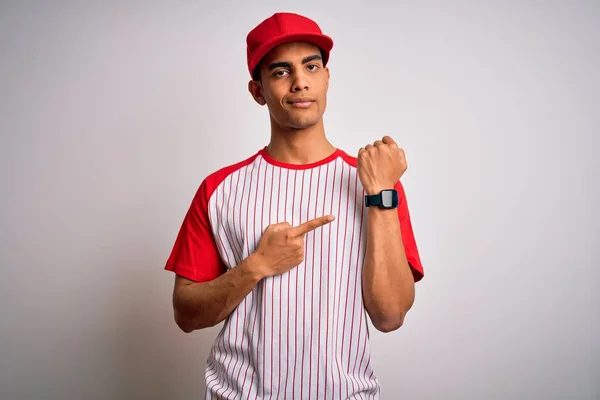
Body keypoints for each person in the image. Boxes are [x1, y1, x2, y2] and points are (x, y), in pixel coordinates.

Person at [165, 11, 425, 399]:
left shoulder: (374, 182)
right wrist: (256, 266)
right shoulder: (219, 189)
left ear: (327, 77)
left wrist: (380, 194)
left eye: (311, 66)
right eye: (281, 71)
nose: (301, 81)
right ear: (258, 91)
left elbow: (389, 316)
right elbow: (185, 314)